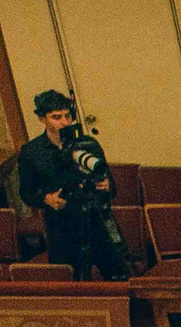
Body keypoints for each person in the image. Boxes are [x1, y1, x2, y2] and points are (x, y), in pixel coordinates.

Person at [16, 90, 127, 281]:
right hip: (62, 226)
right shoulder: (31, 152)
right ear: (42, 119)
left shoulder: (87, 144)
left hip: (96, 219)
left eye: (67, 116)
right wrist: (47, 198)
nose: (64, 122)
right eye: (56, 117)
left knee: (117, 276)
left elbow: (112, 186)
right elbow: (26, 192)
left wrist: (106, 186)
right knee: (72, 281)